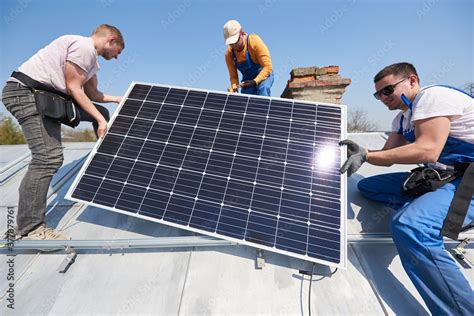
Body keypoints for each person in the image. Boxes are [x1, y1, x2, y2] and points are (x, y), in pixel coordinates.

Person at [339, 62, 473, 315]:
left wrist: (367, 154)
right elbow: (387, 156)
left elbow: (428, 149)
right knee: (369, 187)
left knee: (409, 226)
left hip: (469, 182)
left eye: (388, 90)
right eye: (378, 94)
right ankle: (431, 207)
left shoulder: (433, 98)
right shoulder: (402, 119)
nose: (383, 98)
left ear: (412, 80)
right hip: (445, 176)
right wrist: (361, 152)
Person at [2, 24, 125, 241]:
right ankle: (30, 228)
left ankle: (107, 164)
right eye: (119, 52)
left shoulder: (91, 61)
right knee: (47, 159)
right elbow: (73, 89)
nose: (116, 58)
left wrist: (118, 100)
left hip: (46, 98)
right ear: (111, 40)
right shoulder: (83, 47)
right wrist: (98, 120)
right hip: (27, 95)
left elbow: (93, 94)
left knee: (103, 112)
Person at [223, 20, 274, 96]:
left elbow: (268, 67)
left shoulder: (254, 41)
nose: (234, 46)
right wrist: (234, 87)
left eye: (235, 41)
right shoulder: (229, 54)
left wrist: (255, 81)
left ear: (241, 33)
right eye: (231, 44)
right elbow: (233, 77)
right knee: (246, 98)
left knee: (263, 88)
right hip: (248, 79)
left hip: (264, 74)